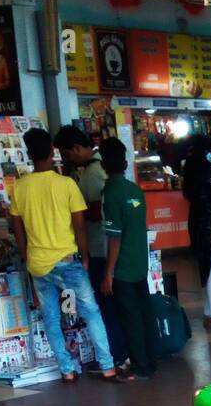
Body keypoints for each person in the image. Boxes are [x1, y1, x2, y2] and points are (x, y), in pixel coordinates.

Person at [9, 127, 117, 383]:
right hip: (68, 260)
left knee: (51, 317)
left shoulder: (20, 187)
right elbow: (79, 225)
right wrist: (86, 256)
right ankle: (108, 366)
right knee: (91, 312)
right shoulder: (66, 184)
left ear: (29, 153)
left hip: (38, 265)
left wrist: (27, 257)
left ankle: (67, 370)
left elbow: (17, 228)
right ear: (52, 152)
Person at [53, 124, 130, 376]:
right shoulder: (92, 171)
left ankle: (116, 355)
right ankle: (119, 354)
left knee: (104, 307)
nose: (67, 159)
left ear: (77, 148)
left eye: (67, 154)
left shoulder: (93, 173)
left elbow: (99, 211)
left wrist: (76, 212)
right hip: (104, 248)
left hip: (99, 249)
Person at [97, 137, 157, 381]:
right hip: (140, 263)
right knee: (144, 314)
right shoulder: (135, 190)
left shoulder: (110, 193)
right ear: (124, 161)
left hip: (121, 267)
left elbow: (114, 239)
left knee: (129, 318)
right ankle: (151, 361)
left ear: (104, 164)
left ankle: (140, 366)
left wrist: (108, 273)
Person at [181, 134, 211, 330]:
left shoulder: (191, 170)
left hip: (197, 223)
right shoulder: (209, 170)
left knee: (205, 269)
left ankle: (209, 312)